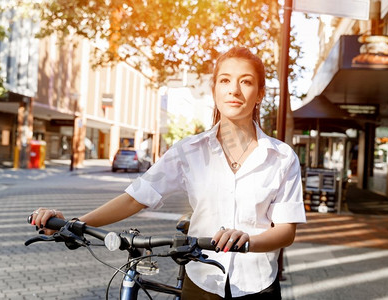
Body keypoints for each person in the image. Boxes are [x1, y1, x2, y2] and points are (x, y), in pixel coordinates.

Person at [30, 46, 306, 299]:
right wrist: (74, 224)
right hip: (201, 281)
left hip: (257, 285)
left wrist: (249, 241)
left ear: (259, 93)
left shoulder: (281, 158)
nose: (234, 90)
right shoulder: (189, 150)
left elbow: (285, 232)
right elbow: (135, 197)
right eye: (225, 80)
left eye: (245, 81)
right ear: (214, 90)